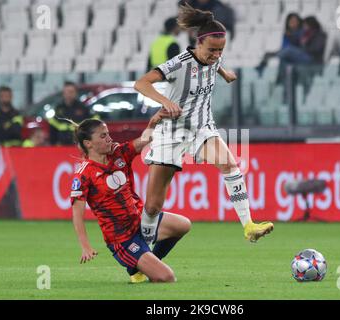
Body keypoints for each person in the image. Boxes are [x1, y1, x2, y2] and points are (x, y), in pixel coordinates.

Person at [134, 3, 273, 247]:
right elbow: (142, 83)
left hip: (202, 128)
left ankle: (249, 226)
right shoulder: (178, 64)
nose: (216, 55)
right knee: (154, 206)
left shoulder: (214, 59)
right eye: (212, 50)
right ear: (198, 43)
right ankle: (138, 257)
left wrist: (225, 73)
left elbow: (215, 65)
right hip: (172, 133)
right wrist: (166, 101)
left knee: (230, 164)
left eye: (221, 51)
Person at [70, 109, 191, 283]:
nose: (109, 138)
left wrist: (152, 123)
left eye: (108, 134)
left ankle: (142, 265)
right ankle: (137, 265)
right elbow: (77, 213)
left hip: (141, 221)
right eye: (103, 136)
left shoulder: (118, 153)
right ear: (89, 143)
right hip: (122, 239)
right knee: (167, 277)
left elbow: (143, 141)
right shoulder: (84, 174)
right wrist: (85, 246)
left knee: (183, 225)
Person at [49, 81, 92, 145]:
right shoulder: (58, 108)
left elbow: (91, 127)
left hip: (79, 145)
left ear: (76, 93)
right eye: (66, 92)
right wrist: (54, 143)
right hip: (62, 145)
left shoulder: (83, 108)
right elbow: (53, 128)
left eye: (71, 92)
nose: (68, 94)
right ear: (63, 93)